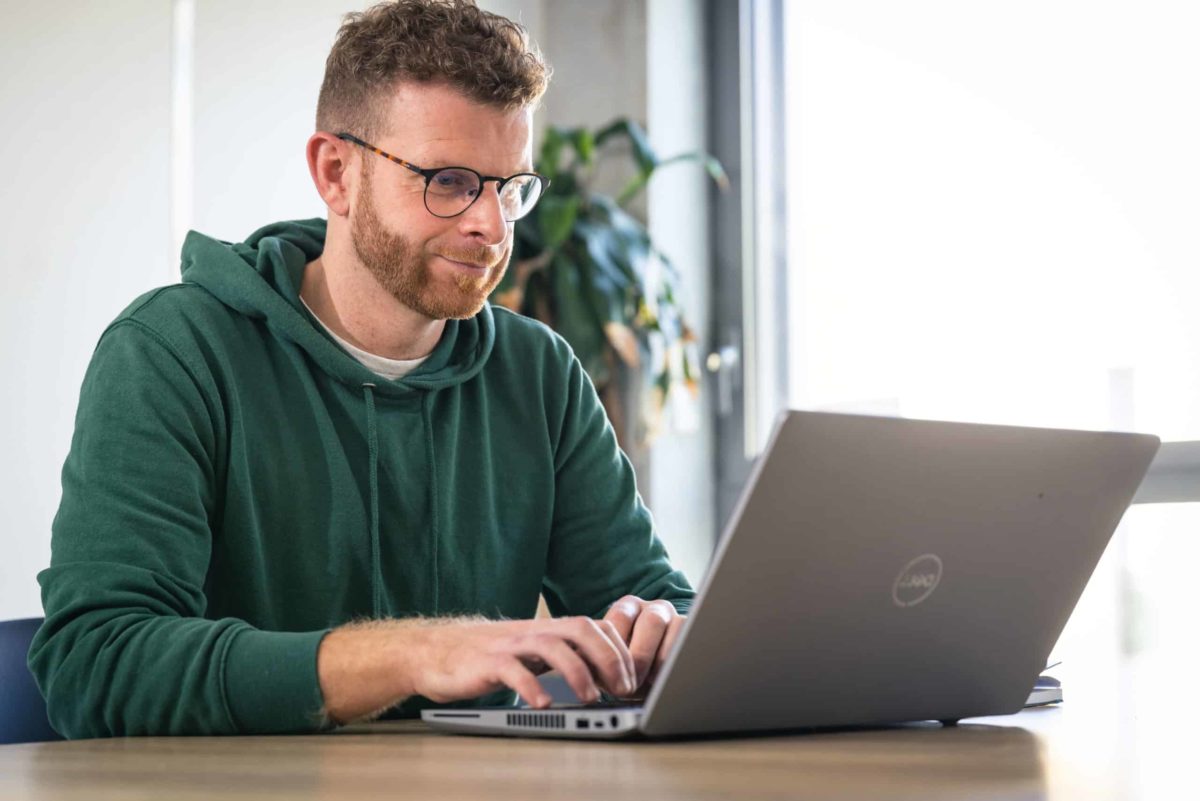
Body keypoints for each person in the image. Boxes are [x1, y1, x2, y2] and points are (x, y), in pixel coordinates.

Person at [29, 0, 694, 738]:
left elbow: (663, 604)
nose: (492, 225)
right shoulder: (171, 351)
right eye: (449, 180)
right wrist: (413, 651)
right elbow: (95, 664)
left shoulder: (538, 372)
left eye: (510, 187)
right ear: (336, 172)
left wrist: (663, 628)